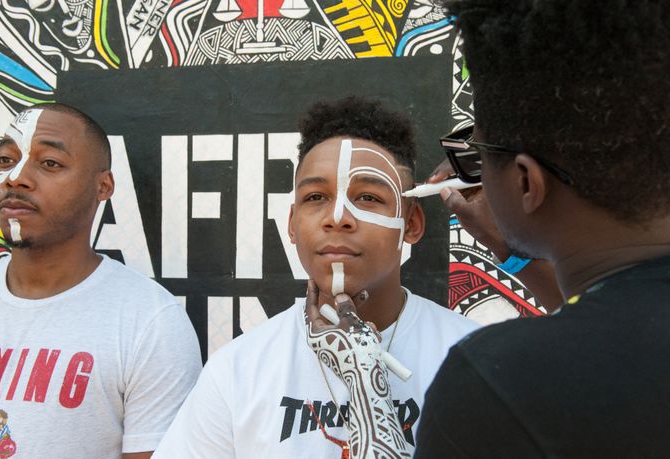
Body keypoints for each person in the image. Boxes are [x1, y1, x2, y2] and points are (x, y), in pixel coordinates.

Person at [153, 96, 480, 458]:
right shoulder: (238, 370)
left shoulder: (471, 358)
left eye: (368, 196)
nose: (337, 217)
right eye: (316, 197)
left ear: (412, 224)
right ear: (292, 224)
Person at [415, 0, 670, 457]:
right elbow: (616, 318)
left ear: (525, 181)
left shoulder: (493, 383)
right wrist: (507, 246)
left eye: (478, 148)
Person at [0, 104, 202, 459]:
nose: (15, 177)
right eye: (5, 160)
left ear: (102, 187)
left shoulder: (149, 323)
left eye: (50, 163)